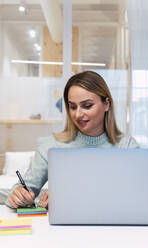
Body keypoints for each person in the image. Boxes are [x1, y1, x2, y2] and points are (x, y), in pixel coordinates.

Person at [6, 71, 139, 209]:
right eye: (73, 107)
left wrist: (71, 199)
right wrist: (20, 197)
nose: (78, 114)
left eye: (87, 106)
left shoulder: (127, 147)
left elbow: (139, 196)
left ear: (106, 104)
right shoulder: (51, 146)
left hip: (116, 227)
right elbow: (20, 193)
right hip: (63, 229)